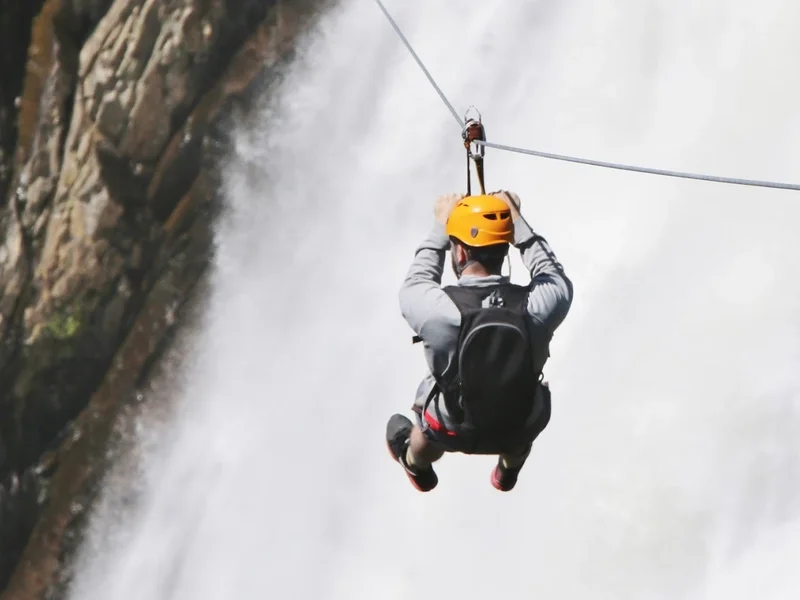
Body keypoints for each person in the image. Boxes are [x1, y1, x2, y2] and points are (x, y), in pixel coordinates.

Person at [385, 191, 573, 492]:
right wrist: (516, 222)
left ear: (459, 253)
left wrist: (440, 225)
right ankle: (509, 466)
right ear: (505, 248)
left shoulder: (439, 312)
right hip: (518, 428)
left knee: (428, 410)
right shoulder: (539, 306)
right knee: (524, 400)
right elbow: (553, 274)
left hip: (451, 430)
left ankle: (415, 459)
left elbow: (416, 282)